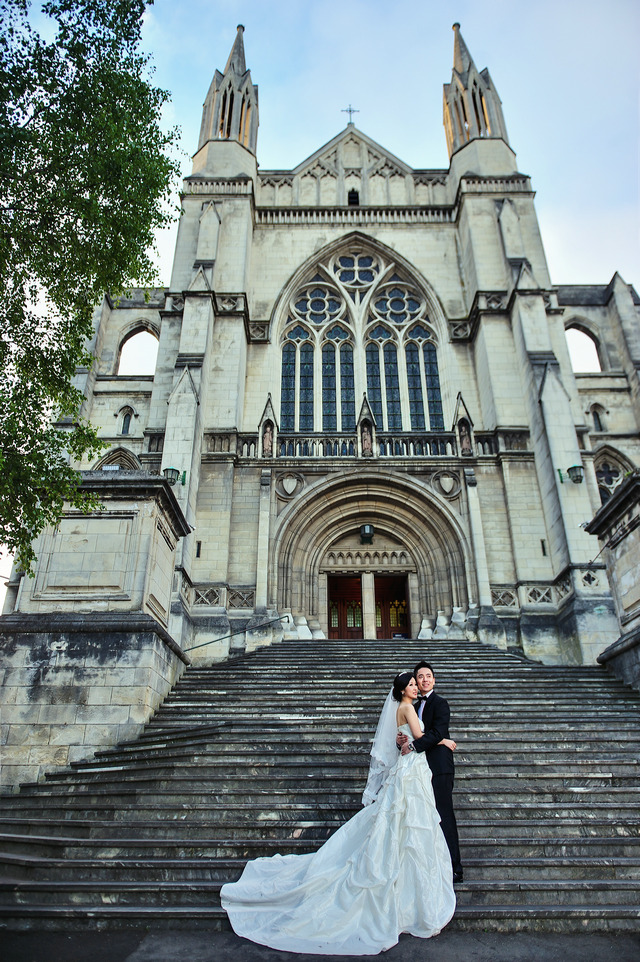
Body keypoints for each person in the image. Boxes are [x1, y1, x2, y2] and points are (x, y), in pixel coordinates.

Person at [220, 672, 455, 955]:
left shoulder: (401, 709)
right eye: (412, 684)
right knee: (407, 824)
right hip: (411, 771)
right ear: (403, 690)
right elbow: (419, 736)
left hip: (408, 768)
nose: (417, 687)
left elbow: (403, 739)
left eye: (418, 683)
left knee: (400, 824)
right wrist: (443, 740)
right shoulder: (407, 707)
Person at [398, 660, 463, 883]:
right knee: (424, 817)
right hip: (418, 769)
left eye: (428, 676)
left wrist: (421, 743)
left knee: (444, 814)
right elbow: (414, 734)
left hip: (439, 766)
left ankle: (455, 867)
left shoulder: (441, 703)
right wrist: (402, 740)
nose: (424, 680)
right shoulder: (411, 706)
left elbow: (436, 732)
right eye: (420, 678)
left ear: (434, 679)